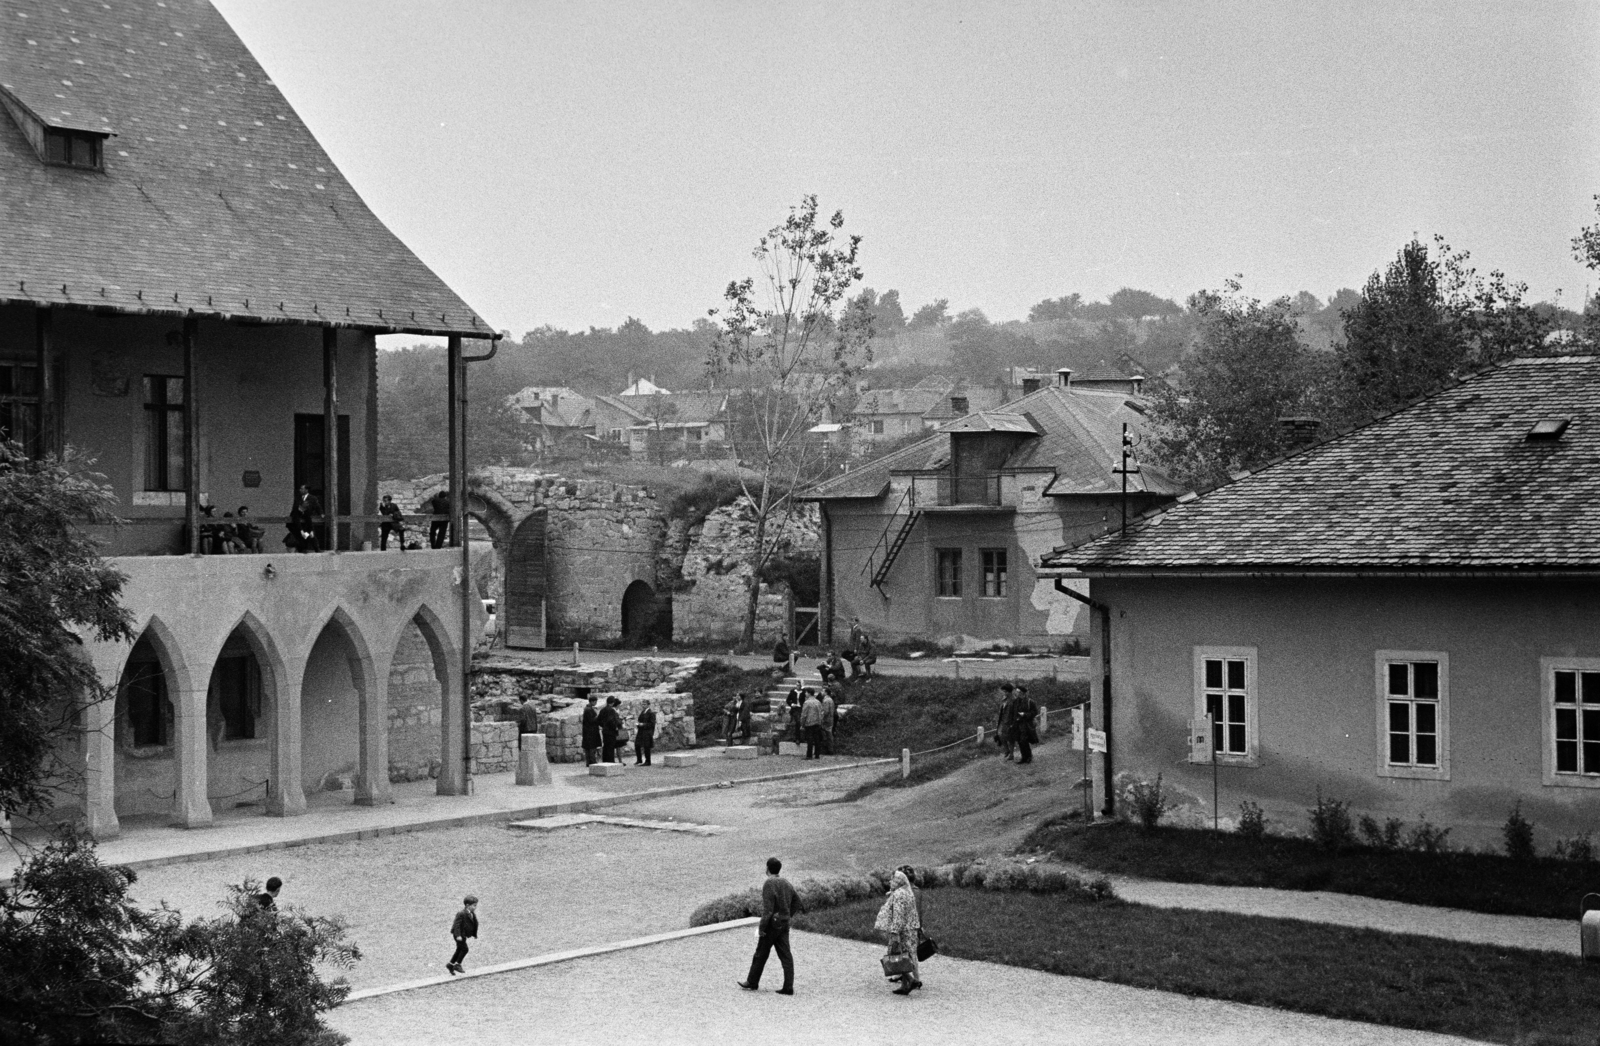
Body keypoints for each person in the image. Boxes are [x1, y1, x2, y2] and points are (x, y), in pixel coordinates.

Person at [737, 857, 800, 995]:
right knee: (786, 955)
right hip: (784, 924)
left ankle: (752, 982)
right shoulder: (786, 883)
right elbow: (797, 901)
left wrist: (761, 928)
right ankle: (788, 986)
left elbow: (768, 910)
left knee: (760, 953)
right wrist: (788, 915)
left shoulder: (769, 883)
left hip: (772, 925)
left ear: (768, 869)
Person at [874, 869, 922, 994]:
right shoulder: (907, 891)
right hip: (910, 929)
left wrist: (895, 931)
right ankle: (906, 985)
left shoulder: (899, 894)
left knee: (897, 955)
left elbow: (899, 915)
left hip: (902, 931)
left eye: (892, 879)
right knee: (906, 955)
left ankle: (910, 980)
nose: (890, 881)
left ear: (898, 881)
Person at [447, 895, 478, 975]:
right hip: (459, 935)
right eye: (474, 905)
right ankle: (458, 964)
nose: (475, 907)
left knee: (459, 949)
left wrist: (473, 933)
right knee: (465, 949)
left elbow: (474, 923)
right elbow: (456, 925)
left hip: (463, 935)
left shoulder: (471, 913)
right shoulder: (461, 913)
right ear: (467, 905)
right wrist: (458, 935)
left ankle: (450, 964)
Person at [286, 484, 321, 553]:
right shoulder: (296, 511)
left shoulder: (306, 512)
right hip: (294, 528)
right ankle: (302, 550)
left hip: (303, 527)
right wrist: (301, 531)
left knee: (311, 536)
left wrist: (311, 531)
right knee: (301, 539)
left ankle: (317, 550)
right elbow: (296, 521)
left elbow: (309, 520)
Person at [1013, 685, 1038, 765]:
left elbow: (1034, 712)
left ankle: (1029, 756)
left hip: (1026, 724)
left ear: (1022, 693)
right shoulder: (1016, 701)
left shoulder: (1030, 702)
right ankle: (1024, 757)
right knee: (1020, 741)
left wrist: (1025, 714)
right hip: (1018, 724)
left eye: (1018, 692)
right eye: (1016, 692)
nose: (1016, 693)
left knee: (1024, 740)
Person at [800, 689, 824, 760]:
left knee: (809, 739)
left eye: (806, 692)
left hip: (809, 722)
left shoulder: (807, 703)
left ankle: (809, 755)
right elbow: (821, 712)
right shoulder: (818, 702)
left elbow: (804, 714)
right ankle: (817, 754)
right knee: (817, 739)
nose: (805, 694)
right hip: (817, 722)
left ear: (809, 693)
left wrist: (802, 724)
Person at [996, 683, 1018, 761]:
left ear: (1010, 691)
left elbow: (1015, 713)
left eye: (1006, 692)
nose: (1005, 693)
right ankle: (1007, 750)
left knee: (1010, 738)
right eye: (1004, 691)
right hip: (1003, 720)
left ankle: (1011, 754)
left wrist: (1013, 723)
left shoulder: (1014, 700)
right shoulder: (1004, 699)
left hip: (1010, 721)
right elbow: (1002, 709)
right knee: (1000, 735)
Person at [599, 696, 623, 763]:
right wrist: (617, 724)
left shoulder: (602, 710)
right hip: (611, 731)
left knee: (606, 747)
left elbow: (598, 720)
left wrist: (604, 725)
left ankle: (605, 761)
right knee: (610, 748)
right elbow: (612, 721)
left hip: (605, 731)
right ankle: (611, 762)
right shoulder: (611, 710)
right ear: (612, 703)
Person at [580, 691, 601, 765]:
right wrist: (597, 716)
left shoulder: (587, 708)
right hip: (591, 731)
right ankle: (592, 761)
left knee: (588, 748)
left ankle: (588, 762)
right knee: (592, 747)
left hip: (587, 731)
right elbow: (591, 720)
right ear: (592, 701)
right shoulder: (589, 710)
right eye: (595, 701)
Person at [634, 699, 657, 765]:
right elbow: (639, 720)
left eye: (645, 704)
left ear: (648, 705)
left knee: (646, 746)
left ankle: (648, 761)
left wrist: (643, 724)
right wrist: (638, 724)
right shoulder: (642, 712)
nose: (643, 706)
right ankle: (639, 759)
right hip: (641, 731)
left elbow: (652, 724)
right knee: (637, 745)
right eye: (642, 704)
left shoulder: (651, 713)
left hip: (647, 732)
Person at [820, 687, 836, 756]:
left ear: (826, 692)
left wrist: (821, 718)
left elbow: (825, 711)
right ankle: (830, 749)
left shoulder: (826, 701)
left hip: (827, 720)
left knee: (826, 735)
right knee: (829, 734)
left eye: (823, 691)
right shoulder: (831, 700)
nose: (821, 692)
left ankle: (827, 749)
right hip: (831, 719)